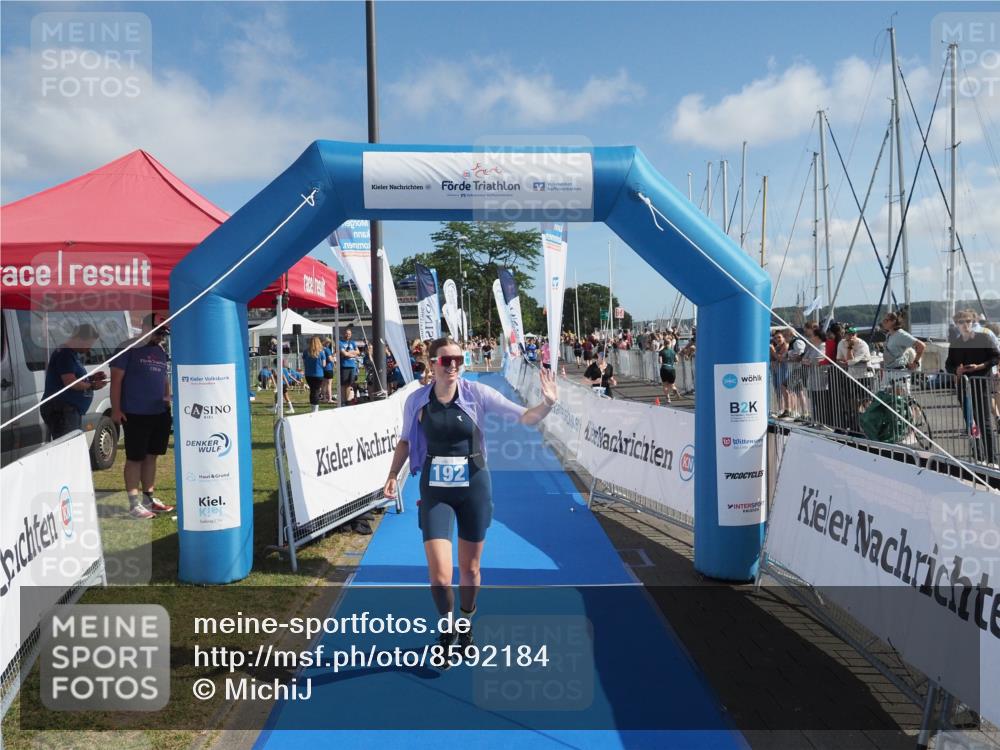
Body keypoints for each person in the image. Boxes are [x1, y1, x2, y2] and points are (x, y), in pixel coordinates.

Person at [382, 337, 558, 667]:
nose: (453, 366)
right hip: (435, 489)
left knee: (471, 570)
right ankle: (447, 629)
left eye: (458, 360)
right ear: (432, 363)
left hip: (474, 487)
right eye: (445, 360)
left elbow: (525, 417)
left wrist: (547, 403)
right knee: (439, 575)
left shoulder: (477, 394)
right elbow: (405, 441)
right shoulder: (417, 400)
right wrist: (393, 474)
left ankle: (465, 624)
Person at [111, 313, 174, 519]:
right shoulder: (127, 347)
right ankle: (134, 504)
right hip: (135, 412)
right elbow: (116, 380)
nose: (161, 337)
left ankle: (149, 498)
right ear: (146, 327)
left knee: (151, 456)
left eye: (164, 333)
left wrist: (166, 401)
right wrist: (116, 409)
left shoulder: (160, 350)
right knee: (135, 458)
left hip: (159, 412)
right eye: (159, 332)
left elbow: (164, 379)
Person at [946, 309, 1000, 464]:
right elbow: (949, 364)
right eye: (961, 322)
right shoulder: (955, 343)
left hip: (981, 385)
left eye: (968, 321)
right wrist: (956, 370)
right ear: (956, 324)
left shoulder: (984, 338)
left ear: (973, 321)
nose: (965, 324)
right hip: (963, 386)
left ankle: (992, 460)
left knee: (985, 422)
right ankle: (979, 456)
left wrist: (980, 366)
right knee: (971, 422)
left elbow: (996, 357)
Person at [41, 324, 108, 440]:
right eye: (89, 344)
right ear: (81, 339)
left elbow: (73, 378)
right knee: (68, 445)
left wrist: (91, 378)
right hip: (63, 410)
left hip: (67, 410)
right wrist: (92, 386)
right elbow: (70, 382)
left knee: (71, 443)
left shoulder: (71, 354)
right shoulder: (65, 353)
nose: (89, 349)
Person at [880, 312, 925, 394]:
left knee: (902, 399)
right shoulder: (889, 335)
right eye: (883, 320)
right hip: (889, 372)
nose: (883, 322)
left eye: (886, 320)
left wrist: (915, 362)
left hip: (899, 373)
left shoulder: (901, 334)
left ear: (893, 321)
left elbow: (921, 346)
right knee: (884, 397)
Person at [303, 336, 327, 413]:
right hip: (318, 374)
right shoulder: (321, 352)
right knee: (316, 391)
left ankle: (312, 408)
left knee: (312, 390)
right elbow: (324, 364)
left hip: (308, 374)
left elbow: (304, 363)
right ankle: (316, 409)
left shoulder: (305, 352)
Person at [339, 327, 361, 404]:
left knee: (350, 384)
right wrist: (353, 354)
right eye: (346, 333)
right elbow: (344, 353)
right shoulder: (340, 343)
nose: (348, 335)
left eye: (349, 334)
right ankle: (343, 400)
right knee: (343, 384)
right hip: (344, 366)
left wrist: (349, 353)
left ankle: (348, 400)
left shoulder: (352, 342)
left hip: (352, 366)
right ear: (343, 334)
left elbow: (358, 352)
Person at [658, 334, 680, 403]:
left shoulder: (661, 352)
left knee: (665, 385)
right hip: (671, 368)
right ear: (670, 344)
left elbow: (660, 361)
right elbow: (677, 360)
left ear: (664, 344)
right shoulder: (673, 352)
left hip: (664, 368)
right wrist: (674, 362)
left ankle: (668, 399)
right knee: (672, 384)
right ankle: (674, 389)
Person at [322, 338, 336, 403]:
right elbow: (330, 359)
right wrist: (334, 361)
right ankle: (330, 399)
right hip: (328, 368)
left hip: (323, 368)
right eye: (329, 343)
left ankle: (324, 398)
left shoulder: (321, 349)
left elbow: (328, 357)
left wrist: (333, 354)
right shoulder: (327, 349)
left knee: (324, 384)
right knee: (329, 384)